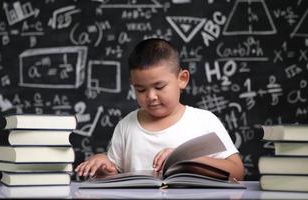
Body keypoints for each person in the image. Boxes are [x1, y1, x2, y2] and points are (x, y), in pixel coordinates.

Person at [75, 38, 244, 180]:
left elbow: (237, 172)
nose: (151, 96)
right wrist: (104, 168)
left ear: (182, 79)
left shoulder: (204, 121)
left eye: (160, 87)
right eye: (140, 89)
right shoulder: (126, 126)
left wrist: (188, 162)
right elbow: (114, 178)